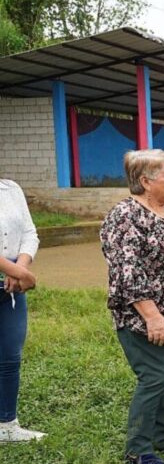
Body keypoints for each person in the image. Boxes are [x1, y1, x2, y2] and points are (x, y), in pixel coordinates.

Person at [100, 150, 164, 464]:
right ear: (145, 181)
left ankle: (162, 438)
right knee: (154, 377)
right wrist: (152, 316)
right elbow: (127, 271)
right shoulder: (127, 214)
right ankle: (138, 449)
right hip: (143, 318)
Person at [0, 178, 44, 443]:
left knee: (9, 358)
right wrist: (14, 270)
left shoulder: (11, 189)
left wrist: (22, 267)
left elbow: (30, 232)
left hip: (12, 288)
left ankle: (7, 425)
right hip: (13, 275)